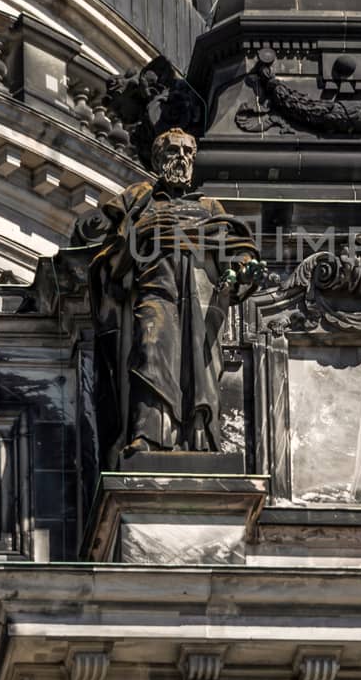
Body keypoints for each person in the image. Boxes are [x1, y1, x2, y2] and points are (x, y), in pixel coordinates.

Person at [74, 129, 259, 456]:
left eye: (188, 152)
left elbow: (236, 246)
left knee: (199, 365)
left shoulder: (211, 206)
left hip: (200, 291)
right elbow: (113, 253)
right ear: (158, 159)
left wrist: (243, 267)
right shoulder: (140, 199)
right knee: (151, 352)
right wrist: (143, 234)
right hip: (154, 287)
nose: (182, 158)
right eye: (174, 150)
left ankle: (198, 437)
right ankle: (150, 436)